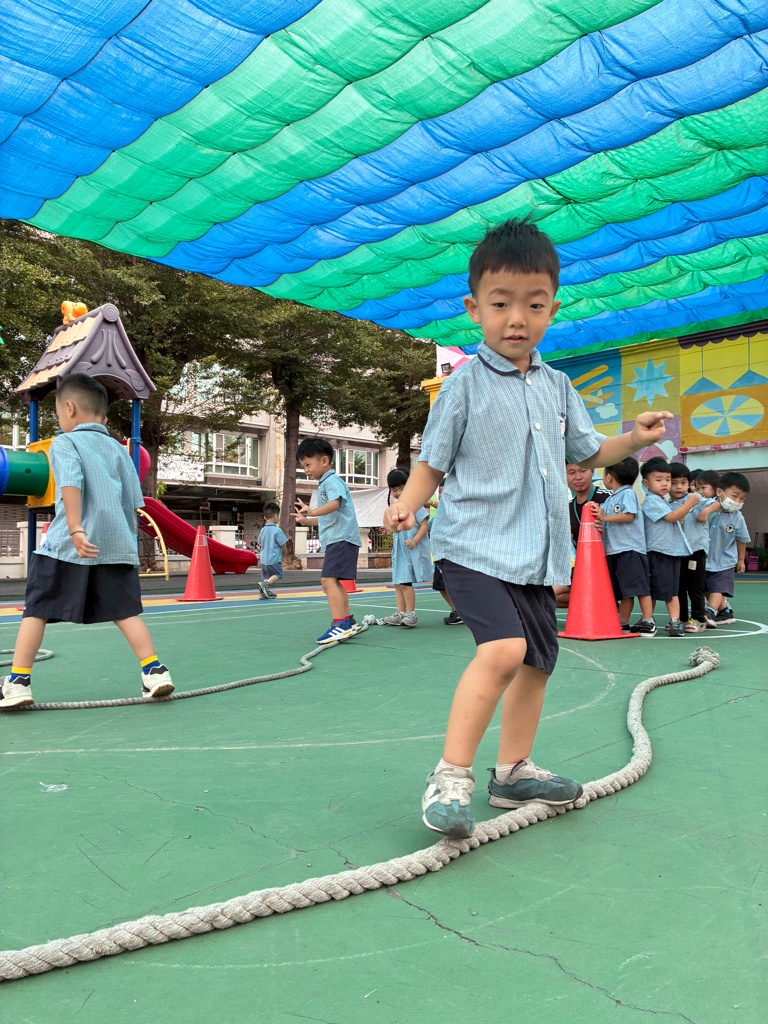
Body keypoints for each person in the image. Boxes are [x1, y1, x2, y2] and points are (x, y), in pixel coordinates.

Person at [384, 217, 673, 839]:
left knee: (539, 660)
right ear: (474, 308)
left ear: (552, 309)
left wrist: (634, 438)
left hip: (538, 556)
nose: (517, 318)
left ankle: (512, 771)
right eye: (501, 303)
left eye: (534, 304)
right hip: (473, 547)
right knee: (504, 650)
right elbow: (432, 461)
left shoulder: (558, 386)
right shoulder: (462, 386)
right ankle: (450, 776)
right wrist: (407, 503)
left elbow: (590, 451)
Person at [0, 374, 173, 709]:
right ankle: (155, 671)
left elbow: (71, 484)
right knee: (126, 612)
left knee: (36, 610)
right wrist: (126, 546)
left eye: (58, 414)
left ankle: (18, 682)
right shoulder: (121, 451)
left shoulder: (65, 443)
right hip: (116, 546)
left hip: (68, 545)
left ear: (69, 408)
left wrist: (76, 529)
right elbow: (132, 502)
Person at [293, 437, 364, 644]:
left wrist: (313, 511)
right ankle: (347, 621)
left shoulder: (330, 481)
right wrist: (307, 520)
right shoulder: (326, 482)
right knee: (335, 581)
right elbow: (329, 515)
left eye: (308, 464)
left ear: (324, 461)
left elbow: (335, 504)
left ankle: (339, 624)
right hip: (341, 538)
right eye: (303, 466)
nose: (305, 470)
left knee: (327, 580)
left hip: (340, 538)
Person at [591, 457, 655, 635]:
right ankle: (623, 623)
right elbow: (608, 525)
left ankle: (648, 621)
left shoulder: (627, 494)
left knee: (640, 588)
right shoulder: (610, 500)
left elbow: (628, 515)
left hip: (630, 550)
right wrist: (601, 523)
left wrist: (604, 517)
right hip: (615, 551)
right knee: (624, 591)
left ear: (609, 477)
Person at [639, 457, 698, 637]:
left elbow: (674, 520)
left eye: (667, 480)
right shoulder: (652, 501)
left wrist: (683, 511)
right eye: (659, 480)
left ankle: (674, 622)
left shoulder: (662, 500)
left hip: (670, 552)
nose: (665, 484)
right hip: (658, 552)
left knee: (672, 590)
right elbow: (671, 518)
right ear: (646, 484)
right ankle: (649, 619)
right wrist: (690, 504)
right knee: (653, 590)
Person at [553, 462, 610, 607]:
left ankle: (604, 601)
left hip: (610, 564)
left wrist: (605, 533)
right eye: (571, 472)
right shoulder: (568, 508)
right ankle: (599, 603)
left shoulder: (608, 499)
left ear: (592, 471)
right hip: (584, 566)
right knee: (551, 594)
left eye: (583, 471)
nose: (578, 477)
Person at [381, 468, 433, 628]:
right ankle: (401, 613)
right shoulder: (396, 508)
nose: (398, 493)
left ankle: (411, 613)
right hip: (400, 551)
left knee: (405, 582)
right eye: (394, 490)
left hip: (410, 550)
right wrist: (390, 530)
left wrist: (415, 541)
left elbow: (424, 525)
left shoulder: (415, 505)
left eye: (402, 488)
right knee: (398, 583)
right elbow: (399, 528)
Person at [668, 463, 716, 632]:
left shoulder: (695, 498)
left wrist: (705, 512)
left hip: (696, 551)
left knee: (695, 587)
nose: (678, 487)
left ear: (689, 484)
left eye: (683, 482)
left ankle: (698, 619)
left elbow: (717, 503)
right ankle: (681, 618)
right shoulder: (668, 504)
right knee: (679, 587)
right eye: (673, 483)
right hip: (677, 552)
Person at [705, 471, 751, 627]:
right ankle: (724, 612)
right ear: (719, 492)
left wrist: (740, 560)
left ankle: (710, 612)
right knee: (705, 587)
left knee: (718, 587)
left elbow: (742, 539)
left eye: (742, 498)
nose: (737, 501)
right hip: (706, 559)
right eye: (734, 496)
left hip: (725, 561)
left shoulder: (737, 517)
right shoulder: (707, 509)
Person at [429, 479, 463, 625]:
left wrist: (430, 502)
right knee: (440, 584)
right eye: (439, 492)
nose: (441, 495)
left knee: (459, 586)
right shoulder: (438, 516)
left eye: (444, 492)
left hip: (455, 555)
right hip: (441, 555)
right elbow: (427, 525)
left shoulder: (457, 509)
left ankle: (463, 612)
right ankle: (458, 611)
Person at [256, 502, 287, 600]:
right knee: (278, 574)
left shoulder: (262, 530)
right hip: (273, 558)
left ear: (265, 517)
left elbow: (260, 543)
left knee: (267, 576)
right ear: (275, 516)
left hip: (264, 559)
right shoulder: (277, 530)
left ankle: (263, 593)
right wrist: (285, 551)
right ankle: (265, 585)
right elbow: (282, 544)